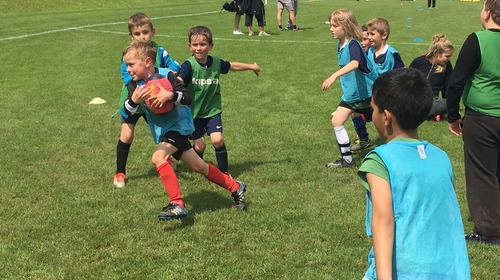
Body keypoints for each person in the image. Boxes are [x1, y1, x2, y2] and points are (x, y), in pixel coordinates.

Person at [359, 68, 470, 279]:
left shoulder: (379, 160)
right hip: (448, 270)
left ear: (386, 117)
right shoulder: (441, 157)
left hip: (405, 271)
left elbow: (383, 220)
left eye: (373, 109)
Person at [122, 41, 248, 220]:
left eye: (131, 64)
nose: (127, 69)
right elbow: (127, 111)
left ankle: (177, 204)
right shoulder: (135, 85)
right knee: (199, 166)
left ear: (147, 62)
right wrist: (134, 101)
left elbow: (187, 98)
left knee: (158, 158)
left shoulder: (169, 76)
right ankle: (236, 187)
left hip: (180, 127)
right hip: (164, 131)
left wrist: (171, 95)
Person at [446, 0, 500, 245]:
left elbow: (456, 80)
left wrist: (452, 115)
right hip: (487, 116)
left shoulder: (477, 39)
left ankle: (489, 230)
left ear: (487, 12)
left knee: (482, 173)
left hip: (482, 117)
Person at [178, 25, 261, 174]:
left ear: (211, 46)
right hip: (193, 113)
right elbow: (179, 80)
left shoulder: (215, 62)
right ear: (189, 47)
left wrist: (252, 67)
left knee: (217, 140)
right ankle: (199, 166)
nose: (199, 48)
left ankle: (224, 172)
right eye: (195, 45)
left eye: (203, 44)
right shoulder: (188, 66)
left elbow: (232, 66)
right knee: (200, 146)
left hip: (212, 110)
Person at [114, 12, 181, 188]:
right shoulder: (128, 55)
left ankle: (167, 155)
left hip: (155, 100)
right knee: (127, 135)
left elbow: (174, 68)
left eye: (145, 32)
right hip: (134, 99)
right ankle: (120, 172)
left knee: (161, 131)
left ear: (153, 31)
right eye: (137, 33)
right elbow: (127, 77)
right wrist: (137, 94)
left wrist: (171, 79)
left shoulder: (160, 51)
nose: (142, 36)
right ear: (131, 36)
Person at [322, 9, 377, 168]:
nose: (331, 29)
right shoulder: (340, 44)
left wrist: (334, 76)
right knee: (337, 121)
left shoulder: (353, 44)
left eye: (334, 25)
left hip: (366, 94)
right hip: (352, 95)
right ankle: (347, 160)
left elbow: (355, 64)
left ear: (345, 26)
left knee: (385, 124)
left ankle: (396, 149)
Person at [410, 34, 454, 122]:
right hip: (415, 99)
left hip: (432, 101)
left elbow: (447, 90)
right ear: (437, 53)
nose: (449, 59)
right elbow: (407, 81)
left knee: (450, 102)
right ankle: (432, 113)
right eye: (447, 56)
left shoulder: (447, 66)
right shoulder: (419, 62)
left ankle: (432, 112)